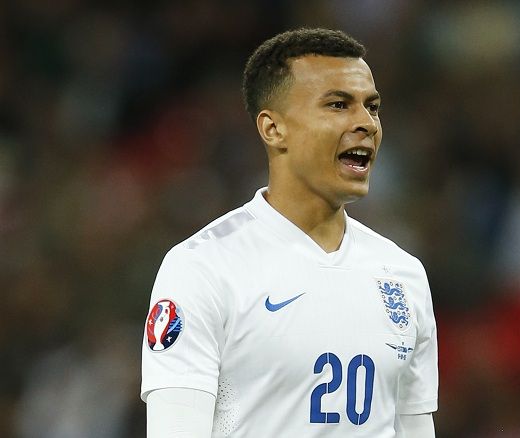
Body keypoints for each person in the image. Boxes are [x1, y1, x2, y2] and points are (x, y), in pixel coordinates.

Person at [142, 27, 438, 437]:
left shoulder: (403, 275)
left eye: (372, 107)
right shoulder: (203, 268)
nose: (366, 123)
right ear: (273, 129)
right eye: (338, 105)